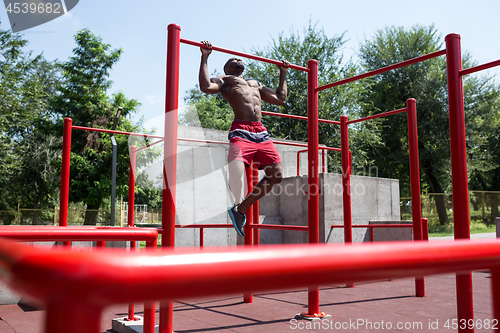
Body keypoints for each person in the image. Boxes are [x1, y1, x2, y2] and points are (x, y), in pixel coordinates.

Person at [198, 40, 289, 237]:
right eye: (233, 59)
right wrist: (205, 56)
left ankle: (239, 210)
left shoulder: (255, 83)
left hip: (261, 132)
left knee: (277, 175)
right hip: (241, 130)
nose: (238, 59)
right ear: (227, 67)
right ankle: (226, 198)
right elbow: (205, 87)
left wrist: (283, 73)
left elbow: (281, 99)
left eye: (239, 59)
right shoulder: (225, 80)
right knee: (236, 172)